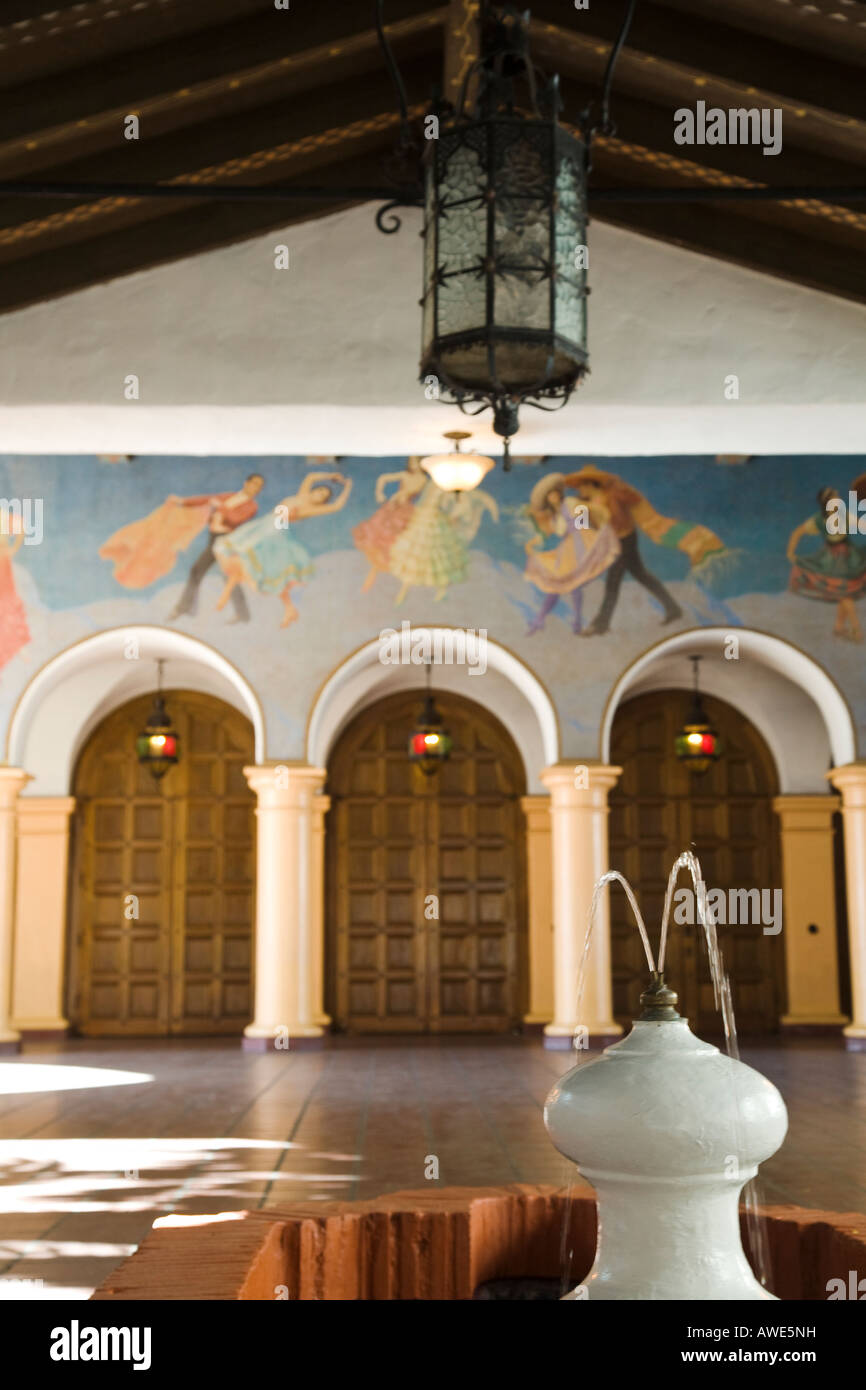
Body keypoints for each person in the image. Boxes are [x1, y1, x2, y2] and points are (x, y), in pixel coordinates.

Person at [214, 471, 352, 628]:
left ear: (322, 502)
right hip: (266, 524)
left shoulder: (310, 508)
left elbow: (337, 506)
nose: (319, 495)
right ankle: (289, 609)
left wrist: (348, 486)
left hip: (275, 531)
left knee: (260, 563)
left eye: (323, 497)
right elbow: (310, 477)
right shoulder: (302, 496)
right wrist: (332, 476)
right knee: (246, 559)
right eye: (320, 491)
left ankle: (228, 594)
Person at [564, 466, 688, 635]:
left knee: (613, 582)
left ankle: (600, 625)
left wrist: (617, 486)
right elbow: (584, 530)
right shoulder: (584, 505)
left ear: (591, 485)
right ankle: (673, 608)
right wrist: (579, 511)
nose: (579, 490)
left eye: (581, 486)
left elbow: (634, 499)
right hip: (612, 542)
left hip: (625, 539)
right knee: (640, 574)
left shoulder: (612, 496)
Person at [523, 473, 619, 634]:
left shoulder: (570, 503)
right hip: (567, 549)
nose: (553, 498)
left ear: (558, 493)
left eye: (554, 494)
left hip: (581, 543)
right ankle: (540, 620)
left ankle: (576, 622)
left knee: (574, 584)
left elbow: (583, 521)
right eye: (549, 496)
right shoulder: (555, 516)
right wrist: (533, 542)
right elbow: (553, 532)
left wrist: (575, 528)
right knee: (557, 585)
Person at [168, 474, 265, 622]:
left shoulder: (251, 506)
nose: (256, 488)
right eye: (255, 484)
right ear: (246, 483)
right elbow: (207, 499)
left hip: (226, 541)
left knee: (223, 575)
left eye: (259, 486)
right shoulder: (230, 496)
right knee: (200, 571)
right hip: (214, 538)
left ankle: (242, 615)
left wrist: (221, 507)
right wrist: (183, 501)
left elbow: (235, 519)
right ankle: (186, 607)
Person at [787, 486, 866, 642]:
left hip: (850, 558)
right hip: (830, 560)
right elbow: (797, 532)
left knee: (843, 594)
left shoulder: (843, 515)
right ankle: (856, 629)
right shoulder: (818, 520)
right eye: (835, 497)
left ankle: (839, 627)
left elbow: (861, 525)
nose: (839, 499)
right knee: (844, 594)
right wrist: (790, 552)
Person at [353, 458, 426, 593]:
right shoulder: (405, 475)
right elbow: (383, 478)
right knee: (378, 541)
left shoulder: (422, 479)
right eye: (411, 462)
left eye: (416, 462)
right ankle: (370, 580)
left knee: (398, 543)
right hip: (393, 507)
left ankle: (401, 583)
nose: (413, 465)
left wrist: (401, 495)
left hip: (404, 512)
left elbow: (413, 492)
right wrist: (379, 493)